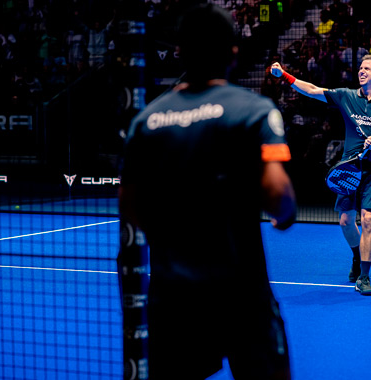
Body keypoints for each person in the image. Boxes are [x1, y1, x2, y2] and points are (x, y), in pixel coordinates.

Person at [118, 4, 295, 379]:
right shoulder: (253, 110)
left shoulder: (145, 121)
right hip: (243, 299)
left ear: (180, 51)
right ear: (233, 52)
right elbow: (279, 197)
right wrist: (283, 215)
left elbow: (130, 205)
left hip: (174, 302)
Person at [270, 54, 371, 296]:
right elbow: (312, 89)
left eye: (367, 69)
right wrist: (286, 76)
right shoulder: (347, 96)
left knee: (368, 220)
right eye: (360, 68)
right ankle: (357, 255)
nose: (361, 71)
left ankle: (364, 276)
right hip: (349, 168)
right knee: (345, 221)